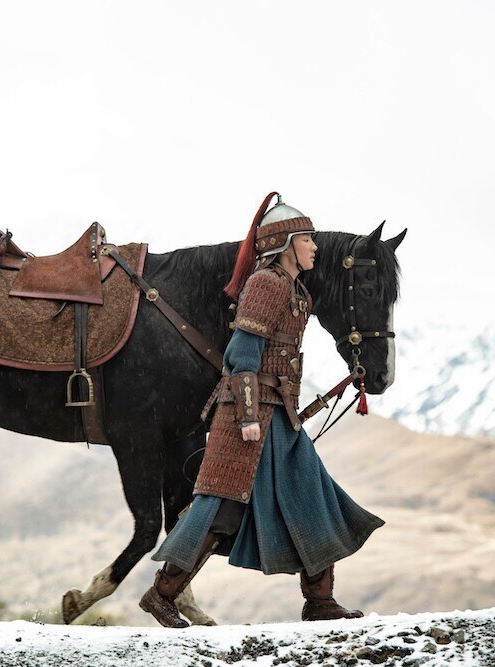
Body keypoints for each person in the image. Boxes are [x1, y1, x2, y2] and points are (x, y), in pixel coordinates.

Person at [139, 192, 385, 628]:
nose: (315, 247)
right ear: (288, 243)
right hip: (249, 416)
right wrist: (249, 416)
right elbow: (241, 353)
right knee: (220, 510)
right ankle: (162, 595)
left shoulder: (293, 289)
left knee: (314, 496)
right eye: (308, 239)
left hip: (279, 416)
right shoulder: (266, 284)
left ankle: (320, 601)